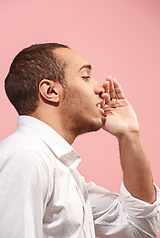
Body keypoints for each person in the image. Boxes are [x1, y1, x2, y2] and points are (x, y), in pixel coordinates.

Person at [0, 43, 160, 238]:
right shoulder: (25, 157)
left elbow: (139, 229)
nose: (101, 89)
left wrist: (129, 135)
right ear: (50, 91)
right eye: (85, 77)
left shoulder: (63, 171)